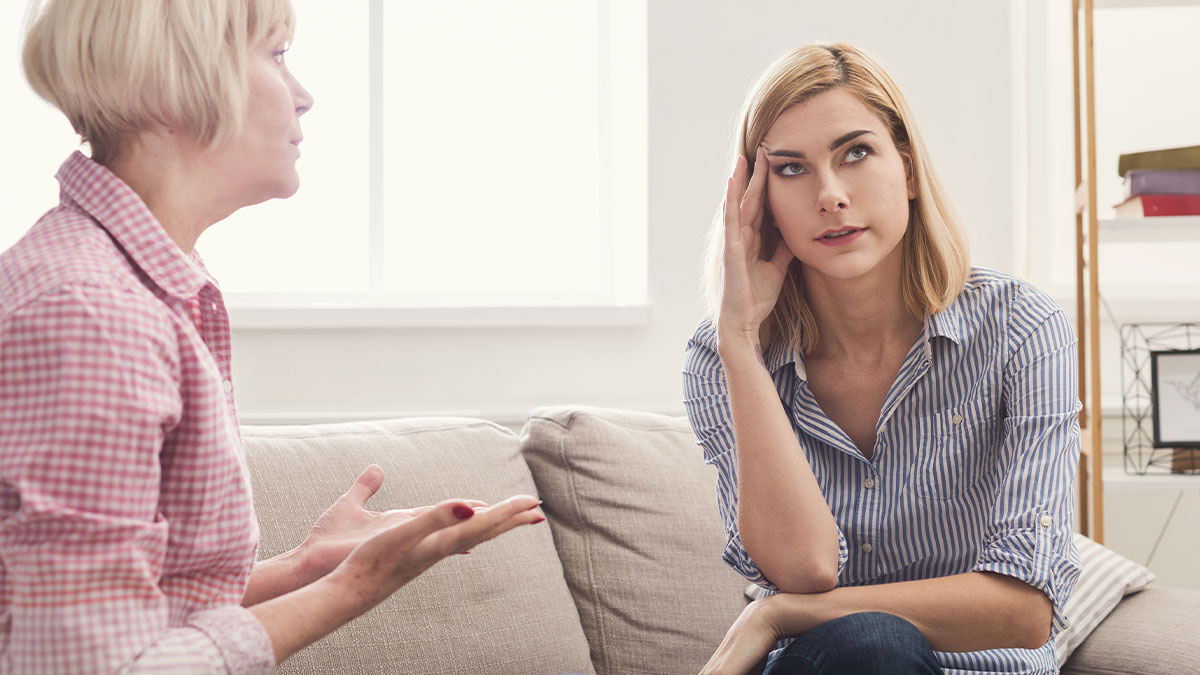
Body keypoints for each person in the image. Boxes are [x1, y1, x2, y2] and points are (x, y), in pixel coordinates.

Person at [0, 1, 545, 672]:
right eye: (277, 55)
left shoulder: (147, 286)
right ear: (174, 81)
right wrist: (358, 584)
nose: (303, 96)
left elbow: (143, 609)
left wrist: (302, 568)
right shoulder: (90, 316)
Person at [682, 43, 1081, 675]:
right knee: (873, 645)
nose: (830, 195)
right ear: (759, 203)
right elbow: (806, 567)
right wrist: (740, 340)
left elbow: (1026, 609)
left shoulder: (1019, 327)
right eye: (791, 169)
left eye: (856, 153)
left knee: (880, 642)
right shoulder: (720, 357)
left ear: (909, 170)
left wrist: (776, 615)